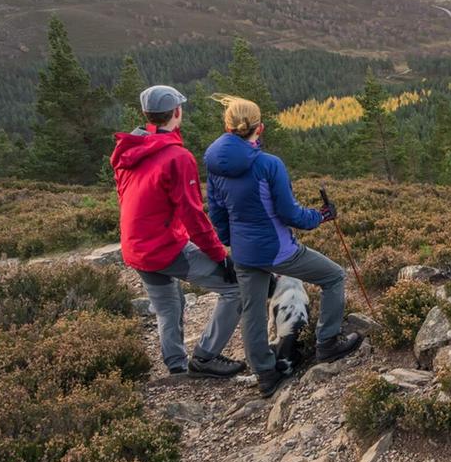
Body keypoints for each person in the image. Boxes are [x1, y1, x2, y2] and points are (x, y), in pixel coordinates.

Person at [204, 95, 362, 397]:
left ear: (227, 126)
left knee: (252, 310)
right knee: (334, 276)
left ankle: (265, 375)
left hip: (244, 252)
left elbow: (217, 212)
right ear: (259, 128)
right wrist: (322, 216)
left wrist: (231, 242)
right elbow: (290, 214)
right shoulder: (269, 165)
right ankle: (327, 343)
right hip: (278, 250)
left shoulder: (213, 163)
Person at [111, 85, 245, 378]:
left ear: (148, 115)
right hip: (162, 247)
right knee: (235, 289)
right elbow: (193, 215)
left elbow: (125, 195)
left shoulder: (128, 149)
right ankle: (206, 358)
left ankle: (176, 367)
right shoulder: (177, 157)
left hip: (134, 247)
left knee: (169, 305)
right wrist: (220, 256)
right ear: (177, 112)